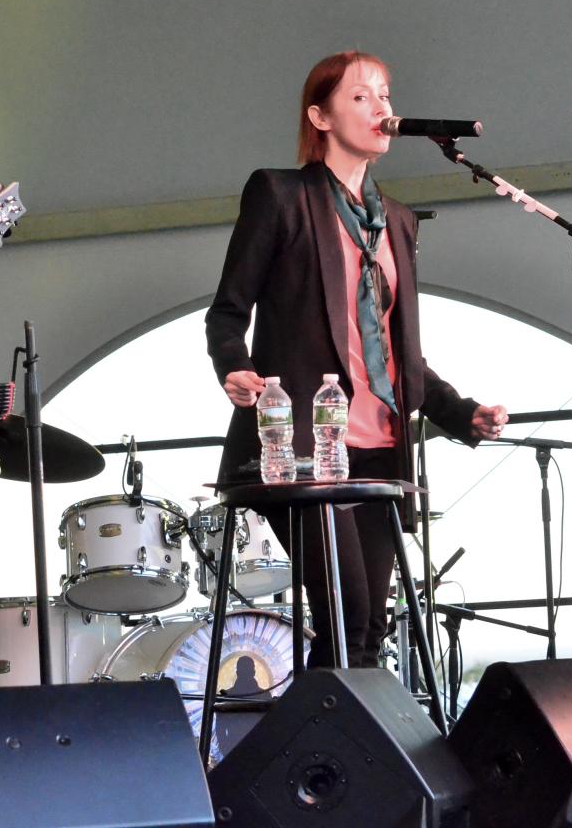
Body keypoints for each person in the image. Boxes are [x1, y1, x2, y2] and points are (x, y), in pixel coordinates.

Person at [205, 50, 506, 669]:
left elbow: (396, 349)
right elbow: (227, 310)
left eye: (386, 96)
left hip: (378, 446)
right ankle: (322, 756)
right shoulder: (280, 195)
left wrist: (461, 412)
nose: (382, 109)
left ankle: (339, 757)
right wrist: (233, 366)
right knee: (346, 610)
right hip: (299, 446)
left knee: (369, 628)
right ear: (320, 116)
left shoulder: (395, 220)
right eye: (362, 97)